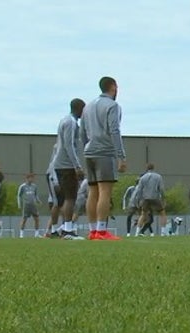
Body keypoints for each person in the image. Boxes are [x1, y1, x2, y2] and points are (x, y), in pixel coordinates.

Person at [82, 76, 126, 240]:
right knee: (105, 191)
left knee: (92, 191)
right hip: (104, 152)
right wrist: (121, 156)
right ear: (113, 87)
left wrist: (88, 146)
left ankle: (93, 230)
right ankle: (101, 230)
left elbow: (82, 132)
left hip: (89, 152)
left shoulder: (88, 107)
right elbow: (114, 130)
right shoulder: (113, 106)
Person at [51, 98, 86, 240]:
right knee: (70, 198)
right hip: (66, 165)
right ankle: (68, 229)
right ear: (79, 109)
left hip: (60, 164)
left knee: (66, 198)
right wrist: (77, 166)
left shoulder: (63, 120)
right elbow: (69, 145)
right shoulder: (71, 123)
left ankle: (65, 228)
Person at [134, 163, 167, 237]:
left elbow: (139, 190)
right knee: (162, 214)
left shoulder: (143, 178)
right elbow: (161, 189)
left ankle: (137, 232)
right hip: (155, 197)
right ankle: (163, 232)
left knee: (143, 215)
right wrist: (163, 198)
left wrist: (138, 200)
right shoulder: (158, 177)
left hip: (145, 198)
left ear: (147, 168)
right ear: (153, 168)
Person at [17, 173, 42, 238]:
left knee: (36, 219)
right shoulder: (22, 186)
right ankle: (21, 234)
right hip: (26, 205)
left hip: (33, 205)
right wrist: (19, 204)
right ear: (27, 178)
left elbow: (35, 195)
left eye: (33, 178)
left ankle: (36, 234)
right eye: (31, 178)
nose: (32, 179)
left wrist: (38, 201)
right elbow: (19, 195)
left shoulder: (34, 186)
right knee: (24, 219)